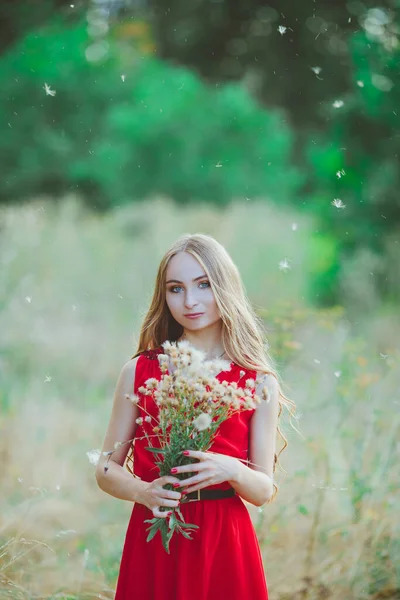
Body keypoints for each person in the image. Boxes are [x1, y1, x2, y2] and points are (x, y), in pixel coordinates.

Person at [95, 233, 296, 600]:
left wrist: (231, 470)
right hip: (155, 533)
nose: (190, 301)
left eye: (203, 284)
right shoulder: (140, 371)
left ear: (225, 286)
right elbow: (106, 469)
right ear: (164, 296)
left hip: (224, 539)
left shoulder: (257, 380)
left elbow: (263, 491)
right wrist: (143, 491)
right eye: (176, 288)